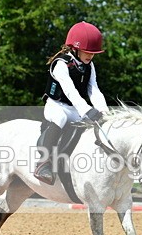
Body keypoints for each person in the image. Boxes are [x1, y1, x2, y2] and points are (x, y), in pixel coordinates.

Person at [33, 21, 109, 185]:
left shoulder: (90, 66)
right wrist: (87, 110)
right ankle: (43, 163)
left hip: (75, 109)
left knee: (93, 126)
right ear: (75, 48)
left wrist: (104, 111)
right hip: (56, 106)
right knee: (60, 118)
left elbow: (94, 90)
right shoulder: (61, 64)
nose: (90, 56)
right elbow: (70, 91)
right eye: (87, 51)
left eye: (93, 53)